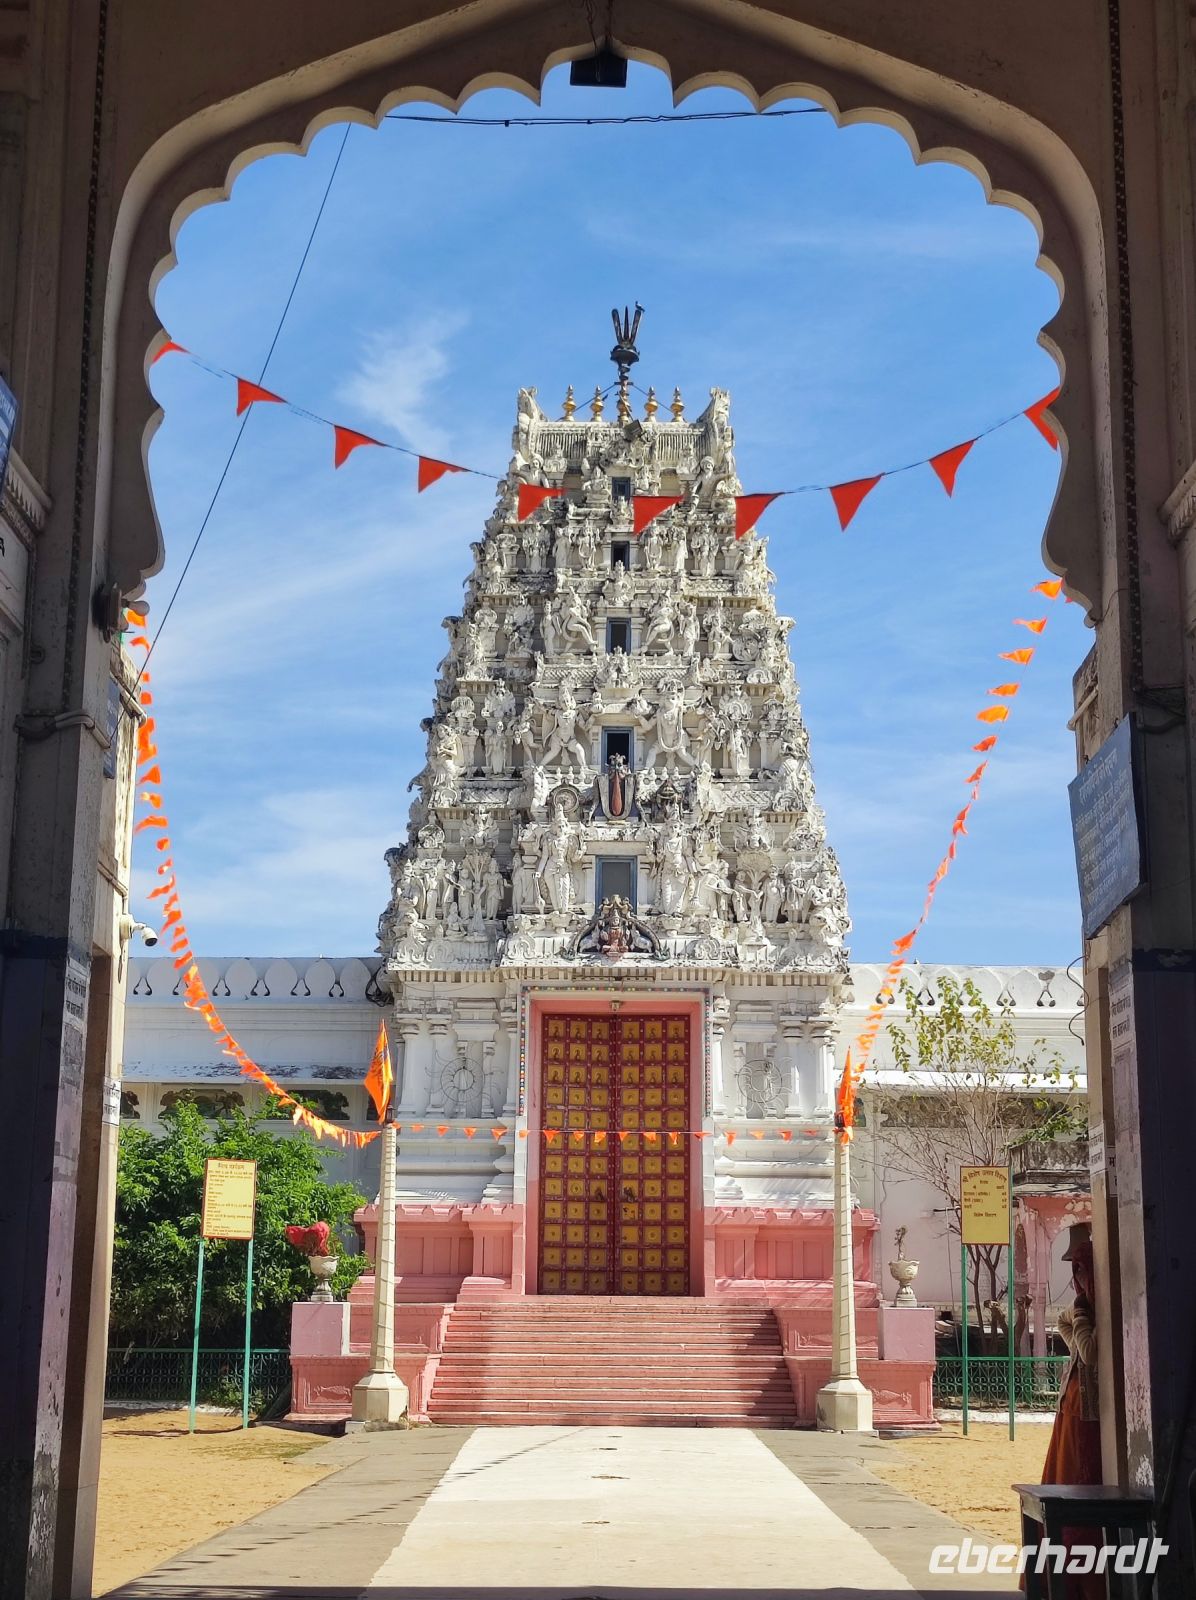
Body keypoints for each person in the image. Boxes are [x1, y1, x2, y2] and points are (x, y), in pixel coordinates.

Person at [1028, 1223, 1102, 1599]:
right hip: (1071, 1415)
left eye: (1081, 1267)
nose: (1077, 1275)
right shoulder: (1083, 1306)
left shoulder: (1100, 1306)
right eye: (1075, 1267)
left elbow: (1090, 1355)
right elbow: (1065, 1329)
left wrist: (1082, 1318)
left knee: (1078, 1493)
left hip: (1088, 1420)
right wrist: (1076, 1322)